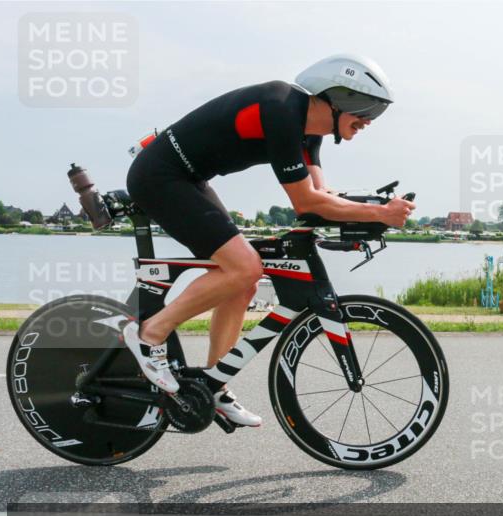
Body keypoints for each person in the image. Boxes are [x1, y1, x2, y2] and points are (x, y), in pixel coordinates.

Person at [124, 54, 414, 426]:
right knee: (244, 267)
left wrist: (372, 208)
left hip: (189, 179)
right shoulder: (281, 109)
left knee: (242, 283)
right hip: (159, 176)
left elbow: (321, 197)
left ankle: (213, 384)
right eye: (365, 108)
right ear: (336, 98)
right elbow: (306, 201)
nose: (368, 121)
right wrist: (380, 213)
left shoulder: (311, 132)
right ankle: (150, 334)